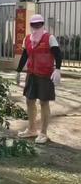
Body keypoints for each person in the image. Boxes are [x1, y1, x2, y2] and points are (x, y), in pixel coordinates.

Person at [16, 14, 62, 144]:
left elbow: (58, 54)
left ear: (42, 24)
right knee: (29, 101)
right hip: (32, 74)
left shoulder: (49, 38)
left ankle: (43, 132)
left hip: (46, 75)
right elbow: (25, 55)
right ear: (30, 25)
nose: (36, 27)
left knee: (44, 102)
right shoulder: (28, 39)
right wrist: (18, 71)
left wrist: (57, 69)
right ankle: (31, 129)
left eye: (39, 24)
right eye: (34, 25)